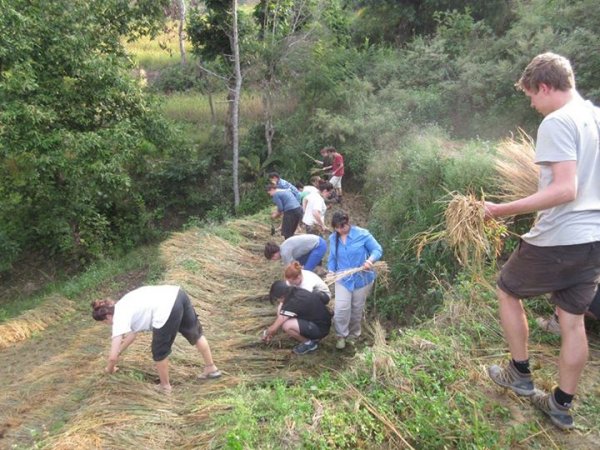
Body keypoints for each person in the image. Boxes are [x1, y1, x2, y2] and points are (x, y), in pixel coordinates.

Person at [484, 53, 600, 430]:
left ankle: (519, 373)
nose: (532, 105)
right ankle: (561, 404)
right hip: (595, 239)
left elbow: (566, 189)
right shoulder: (595, 116)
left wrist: (500, 210)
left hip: (562, 236)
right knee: (572, 318)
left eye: (532, 96)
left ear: (546, 87)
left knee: (506, 288)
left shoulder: (558, 121)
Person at [91, 285, 221, 394]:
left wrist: (109, 369)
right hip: (178, 294)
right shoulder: (123, 304)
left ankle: (165, 387)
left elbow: (112, 358)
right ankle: (211, 368)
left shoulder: (119, 318)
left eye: (105, 323)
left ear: (107, 316)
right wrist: (120, 351)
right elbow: (132, 335)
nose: (108, 325)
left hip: (165, 310)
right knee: (195, 334)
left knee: (159, 352)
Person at [327, 211, 383, 350]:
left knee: (357, 308)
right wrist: (330, 271)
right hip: (343, 279)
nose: (340, 230)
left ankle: (353, 335)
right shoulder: (333, 238)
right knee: (341, 308)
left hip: (362, 278)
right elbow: (333, 258)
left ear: (348, 222)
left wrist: (369, 261)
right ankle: (341, 335)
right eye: (337, 228)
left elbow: (377, 249)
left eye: (343, 227)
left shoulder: (362, 234)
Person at [262, 281, 332, 355]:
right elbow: (282, 310)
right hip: (321, 319)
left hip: (320, 328)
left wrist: (267, 333)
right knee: (281, 309)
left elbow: (274, 328)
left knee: (287, 325)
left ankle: (309, 344)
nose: (278, 301)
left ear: (282, 296)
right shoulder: (295, 291)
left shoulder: (293, 303)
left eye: (277, 299)